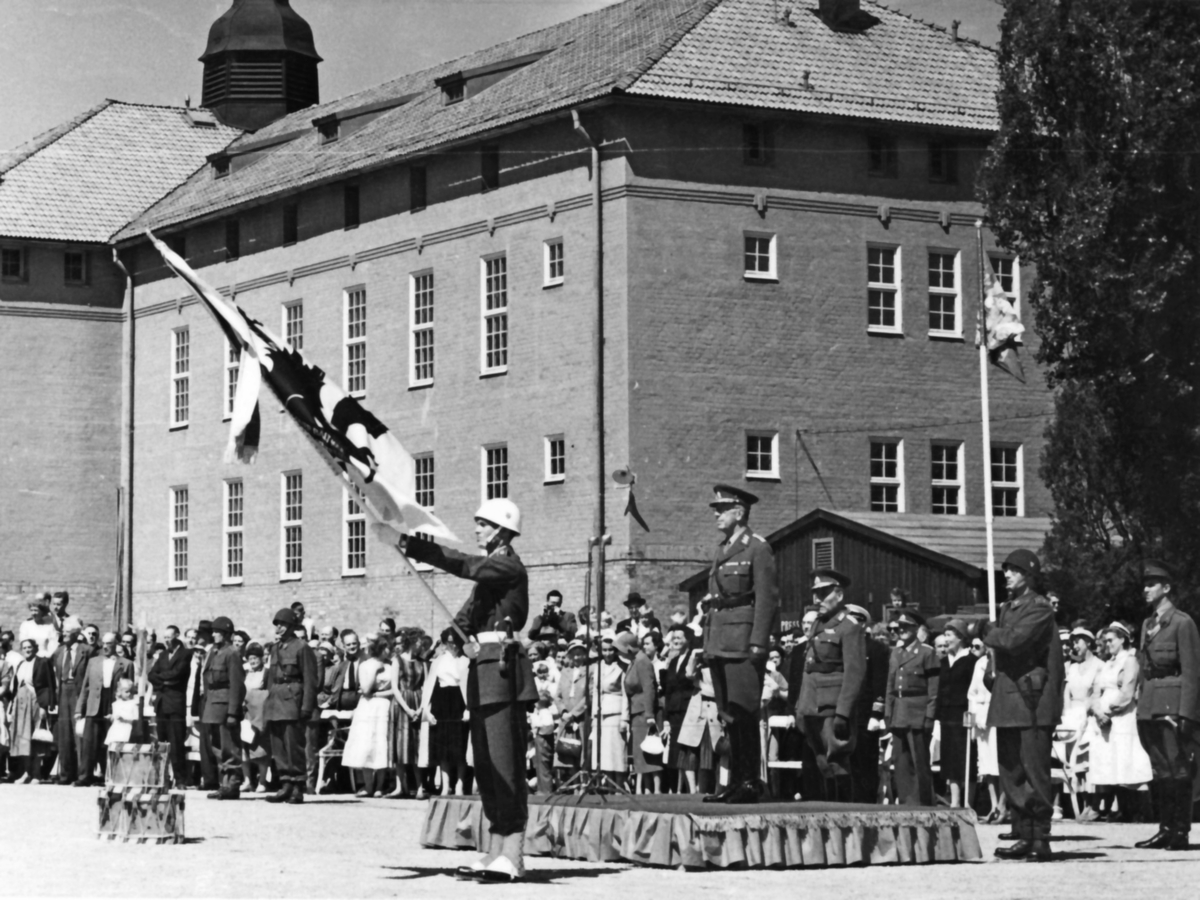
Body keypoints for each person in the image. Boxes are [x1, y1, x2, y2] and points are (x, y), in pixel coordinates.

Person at [397, 497, 538, 882]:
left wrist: (417, 546)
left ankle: (514, 853)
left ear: (504, 531)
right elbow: (463, 618)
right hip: (480, 670)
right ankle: (495, 850)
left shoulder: (506, 564)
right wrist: (451, 636)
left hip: (503, 671)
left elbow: (465, 565)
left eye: (484, 524)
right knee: (487, 765)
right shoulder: (488, 579)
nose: (477, 529)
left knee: (505, 763)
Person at [980, 548, 1064, 861]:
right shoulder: (1008, 608)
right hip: (1009, 697)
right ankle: (1023, 832)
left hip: (1031, 699)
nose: (1007, 576)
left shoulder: (1039, 607)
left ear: (1029, 575)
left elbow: (1015, 641)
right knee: (1011, 771)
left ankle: (1040, 836)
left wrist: (988, 631)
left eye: (1014, 571)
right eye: (1006, 570)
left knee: (1034, 771)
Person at [703, 484, 779, 804]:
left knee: (745, 712)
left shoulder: (757, 548)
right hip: (720, 637)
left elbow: (766, 598)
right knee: (728, 714)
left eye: (723, 509)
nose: (717, 515)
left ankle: (749, 781)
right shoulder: (722, 549)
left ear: (740, 512)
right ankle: (735, 781)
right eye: (716, 510)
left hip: (744, 640)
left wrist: (759, 643)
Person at [1134, 559, 1199, 851]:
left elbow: (1192, 671)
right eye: (1145, 584)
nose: (1146, 589)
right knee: (1160, 770)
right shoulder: (1148, 623)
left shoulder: (1182, 623)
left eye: (1152, 584)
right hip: (1149, 704)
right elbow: (1142, 666)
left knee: (1178, 770)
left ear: (1167, 588)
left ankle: (1180, 831)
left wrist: (1187, 713)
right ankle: (1165, 828)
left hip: (1172, 705)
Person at [796, 568, 866, 802]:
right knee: (821, 761)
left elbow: (854, 674)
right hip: (812, 704)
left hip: (832, 706)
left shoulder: (849, 627)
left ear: (839, 595)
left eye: (823, 593)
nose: (817, 599)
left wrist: (843, 713)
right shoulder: (818, 624)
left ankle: (845, 814)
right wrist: (801, 706)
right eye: (815, 593)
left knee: (837, 760)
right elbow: (809, 667)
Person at [1088, 622, 1152, 819]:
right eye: (1105, 641)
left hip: (1122, 716)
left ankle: (1135, 810)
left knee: (1126, 757)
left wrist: (1109, 711)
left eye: (1111, 640)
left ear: (1122, 639)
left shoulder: (1130, 660)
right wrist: (1098, 711)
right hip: (1103, 719)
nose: (1107, 644)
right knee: (1109, 760)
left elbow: (1127, 691)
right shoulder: (1107, 663)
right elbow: (1096, 690)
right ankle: (1119, 808)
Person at [263, 607, 319, 804]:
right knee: (278, 746)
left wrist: (306, 707)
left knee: (293, 745)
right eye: (277, 624)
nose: (279, 628)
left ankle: (297, 786)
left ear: (292, 626)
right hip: (276, 701)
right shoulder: (275, 648)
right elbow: (271, 678)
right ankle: (285, 783)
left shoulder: (301, 647)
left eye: (283, 624)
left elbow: (311, 680)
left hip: (293, 702)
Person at [886, 609, 939, 806]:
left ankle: (922, 804)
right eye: (899, 628)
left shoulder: (927, 652)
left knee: (919, 763)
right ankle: (906, 802)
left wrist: (929, 717)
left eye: (906, 627)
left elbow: (933, 690)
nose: (902, 631)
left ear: (916, 629)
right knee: (900, 763)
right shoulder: (895, 653)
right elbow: (890, 686)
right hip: (899, 713)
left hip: (918, 714)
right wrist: (888, 713)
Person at [75, 632, 133, 786]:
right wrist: (79, 709)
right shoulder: (93, 662)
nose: (106, 647)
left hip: (113, 704)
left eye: (110, 644)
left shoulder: (126, 663)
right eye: (105, 643)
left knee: (110, 741)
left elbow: (130, 688)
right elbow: (85, 686)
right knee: (89, 742)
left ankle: (109, 776)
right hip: (94, 704)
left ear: (116, 645)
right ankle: (84, 776)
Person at [343, 635, 396, 798]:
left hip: (383, 706)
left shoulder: (392, 665)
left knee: (382, 745)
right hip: (367, 708)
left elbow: (395, 689)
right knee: (367, 744)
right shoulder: (366, 665)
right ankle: (368, 785)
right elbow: (365, 689)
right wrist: (375, 670)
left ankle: (380, 786)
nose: (390, 651)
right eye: (387, 648)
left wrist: (379, 693)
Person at [844, 603, 888, 803]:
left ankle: (868, 804)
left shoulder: (876, 649)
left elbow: (880, 684)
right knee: (847, 763)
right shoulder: (842, 646)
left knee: (866, 762)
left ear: (863, 623)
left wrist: (876, 714)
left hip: (864, 714)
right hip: (845, 713)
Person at [1059, 624, 1102, 820]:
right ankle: (1082, 804)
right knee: (1075, 765)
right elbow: (1067, 693)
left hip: (1090, 717)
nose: (1074, 646)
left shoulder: (1099, 665)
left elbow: (1096, 692)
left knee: (1090, 762)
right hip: (1073, 718)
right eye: (1072, 642)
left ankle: (1094, 804)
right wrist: (1068, 715)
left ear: (1089, 643)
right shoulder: (1072, 667)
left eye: (1078, 641)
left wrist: (1086, 711)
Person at [201, 617, 246, 800]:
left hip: (226, 704)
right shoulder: (213, 651)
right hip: (212, 704)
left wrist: (233, 712)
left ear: (226, 634)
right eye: (213, 632)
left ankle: (232, 784)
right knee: (217, 747)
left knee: (230, 747)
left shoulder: (232, 653)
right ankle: (224, 783)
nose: (214, 635)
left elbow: (237, 684)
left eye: (217, 632)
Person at [422, 628, 470, 796]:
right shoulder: (438, 661)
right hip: (441, 701)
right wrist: (427, 710)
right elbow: (429, 686)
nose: (453, 645)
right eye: (449, 642)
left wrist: (468, 708)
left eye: (455, 641)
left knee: (460, 746)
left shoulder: (466, 661)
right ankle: (445, 785)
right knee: (442, 747)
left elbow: (468, 687)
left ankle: (460, 784)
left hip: (459, 701)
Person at [936, 618, 977, 809]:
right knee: (949, 759)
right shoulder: (943, 662)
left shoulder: (971, 661)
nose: (946, 639)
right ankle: (955, 802)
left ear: (960, 637)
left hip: (964, 714)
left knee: (966, 758)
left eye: (949, 635)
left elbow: (974, 690)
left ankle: (968, 802)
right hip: (946, 715)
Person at [49, 616, 94, 784]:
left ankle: (83, 775)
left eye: (67, 632)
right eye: (63, 632)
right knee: (64, 735)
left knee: (79, 735)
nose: (64, 635)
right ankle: (66, 774)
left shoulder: (87, 650)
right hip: (63, 691)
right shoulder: (59, 651)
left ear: (76, 633)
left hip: (79, 691)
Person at [148, 625, 193, 788]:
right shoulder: (163, 655)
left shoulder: (185, 654)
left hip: (175, 703)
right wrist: (163, 681)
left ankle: (181, 779)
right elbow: (151, 674)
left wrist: (162, 679)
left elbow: (178, 675)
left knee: (176, 743)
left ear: (177, 636)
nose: (167, 641)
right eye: (165, 638)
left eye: (169, 637)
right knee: (162, 742)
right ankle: (162, 778)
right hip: (161, 703)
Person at [616, 630, 661, 793]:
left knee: (649, 752)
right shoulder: (634, 661)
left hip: (643, 713)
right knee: (640, 753)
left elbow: (649, 688)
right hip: (636, 712)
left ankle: (656, 790)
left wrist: (649, 715)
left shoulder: (642, 661)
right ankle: (647, 789)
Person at [967, 636, 1004, 822]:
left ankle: (1004, 807)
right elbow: (972, 693)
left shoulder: (1004, 661)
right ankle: (994, 804)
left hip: (998, 716)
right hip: (982, 719)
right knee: (987, 765)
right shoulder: (980, 663)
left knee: (1001, 763)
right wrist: (974, 718)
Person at [9, 639, 55, 783]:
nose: (27, 650)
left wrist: (44, 706)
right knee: (23, 740)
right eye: (24, 648)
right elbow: (16, 686)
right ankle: (26, 773)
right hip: (21, 705)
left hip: (36, 703)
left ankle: (36, 774)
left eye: (30, 647)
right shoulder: (21, 664)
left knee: (36, 740)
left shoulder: (42, 662)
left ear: (35, 648)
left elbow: (48, 685)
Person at [659, 626, 698, 793]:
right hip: (674, 710)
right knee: (675, 749)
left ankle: (692, 788)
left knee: (687, 749)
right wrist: (666, 716)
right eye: (673, 638)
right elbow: (668, 690)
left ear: (688, 639)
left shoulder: (693, 658)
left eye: (679, 638)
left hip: (689, 709)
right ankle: (677, 788)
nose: (675, 641)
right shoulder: (673, 661)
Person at [596, 635, 628, 782]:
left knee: (617, 752)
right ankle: (607, 785)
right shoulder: (597, 666)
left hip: (616, 712)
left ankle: (619, 785)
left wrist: (624, 718)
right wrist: (593, 716)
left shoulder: (622, 666)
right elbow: (595, 691)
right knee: (604, 754)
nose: (607, 653)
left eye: (610, 650)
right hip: (600, 713)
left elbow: (625, 693)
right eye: (604, 650)